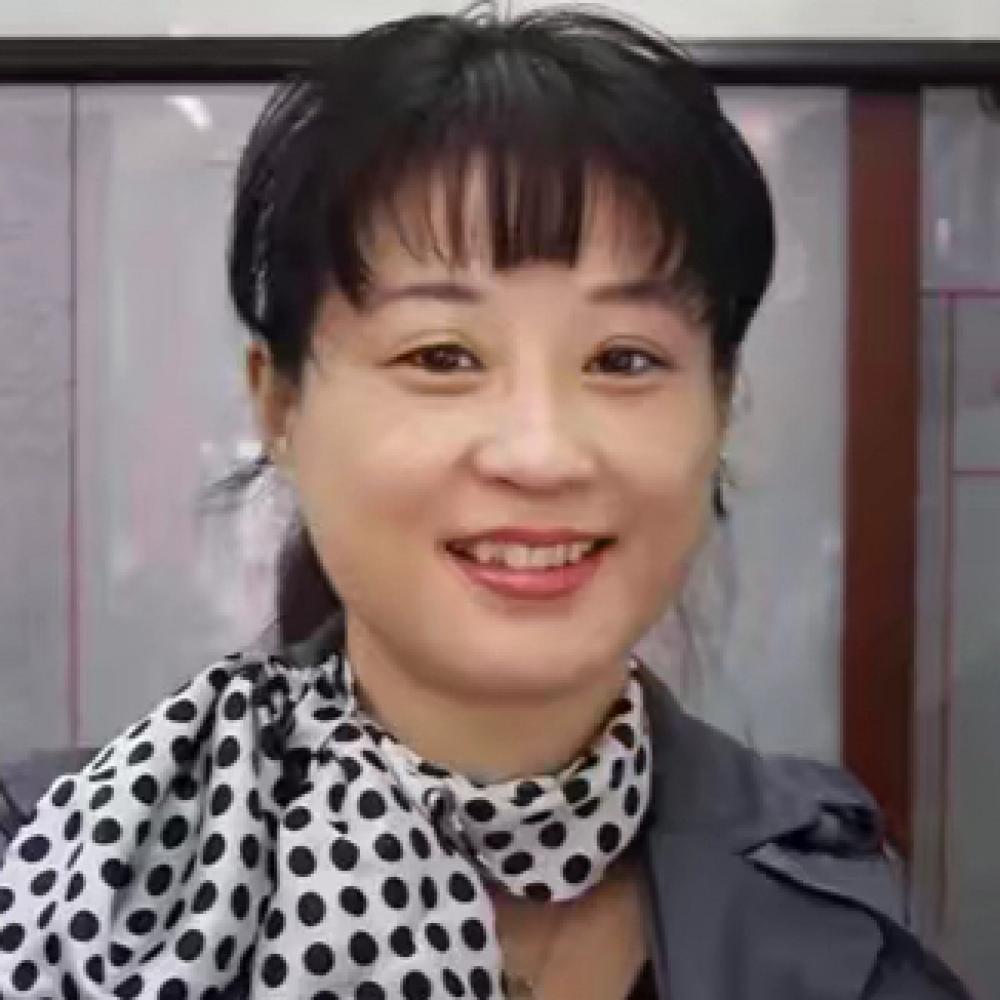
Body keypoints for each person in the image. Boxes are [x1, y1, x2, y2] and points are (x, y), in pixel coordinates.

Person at [0, 7, 974, 999]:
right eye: (441, 356)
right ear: (280, 405)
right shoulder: (67, 871)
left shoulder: (841, 919)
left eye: (623, 359)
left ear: (720, 405)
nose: (540, 453)